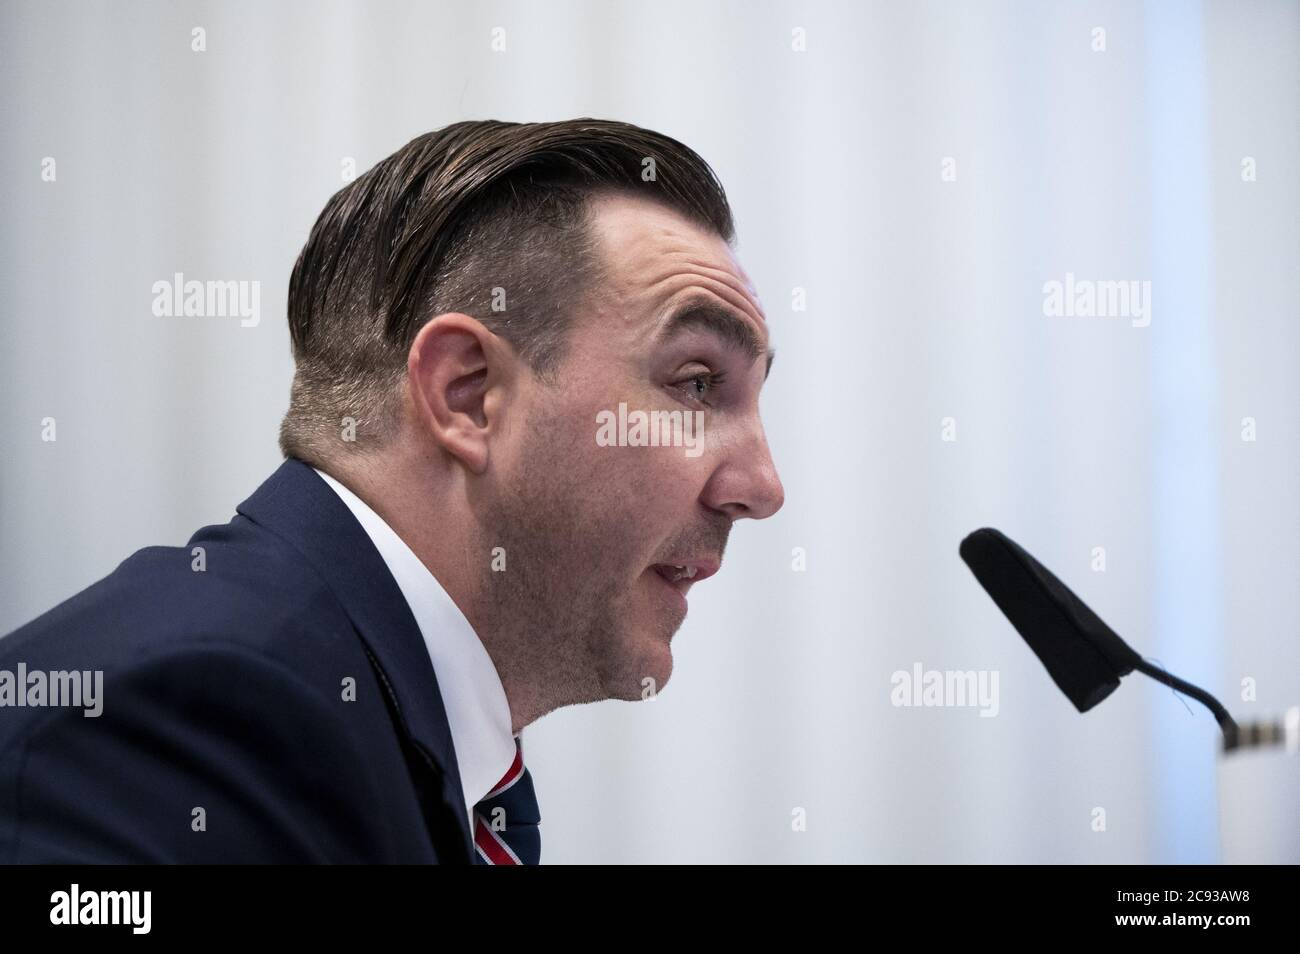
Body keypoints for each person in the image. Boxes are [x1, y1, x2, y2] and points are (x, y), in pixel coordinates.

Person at [0, 119, 785, 863]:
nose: (762, 487)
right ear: (468, 395)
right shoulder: (190, 724)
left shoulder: (378, 731)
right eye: (696, 384)